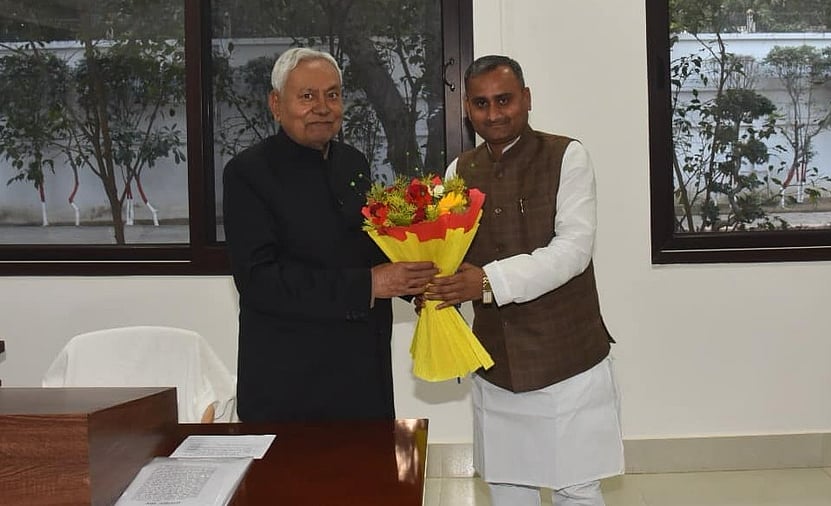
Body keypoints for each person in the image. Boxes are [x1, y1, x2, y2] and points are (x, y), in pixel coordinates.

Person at [424, 55, 623, 506]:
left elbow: (572, 251)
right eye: (481, 103)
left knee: (577, 483)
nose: (494, 114)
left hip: (566, 357)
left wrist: (488, 283)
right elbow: (450, 254)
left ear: (527, 99)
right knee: (507, 482)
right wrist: (437, 287)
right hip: (496, 359)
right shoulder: (459, 171)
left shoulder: (566, 155)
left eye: (504, 100)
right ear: (467, 110)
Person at [223, 47, 438, 422]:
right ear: (276, 104)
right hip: (289, 385)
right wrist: (368, 285)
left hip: (362, 378)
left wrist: (415, 283)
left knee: (370, 479)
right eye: (307, 96)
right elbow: (259, 281)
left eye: (333, 94)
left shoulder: (353, 161)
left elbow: (364, 249)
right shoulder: (248, 173)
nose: (323, 107)